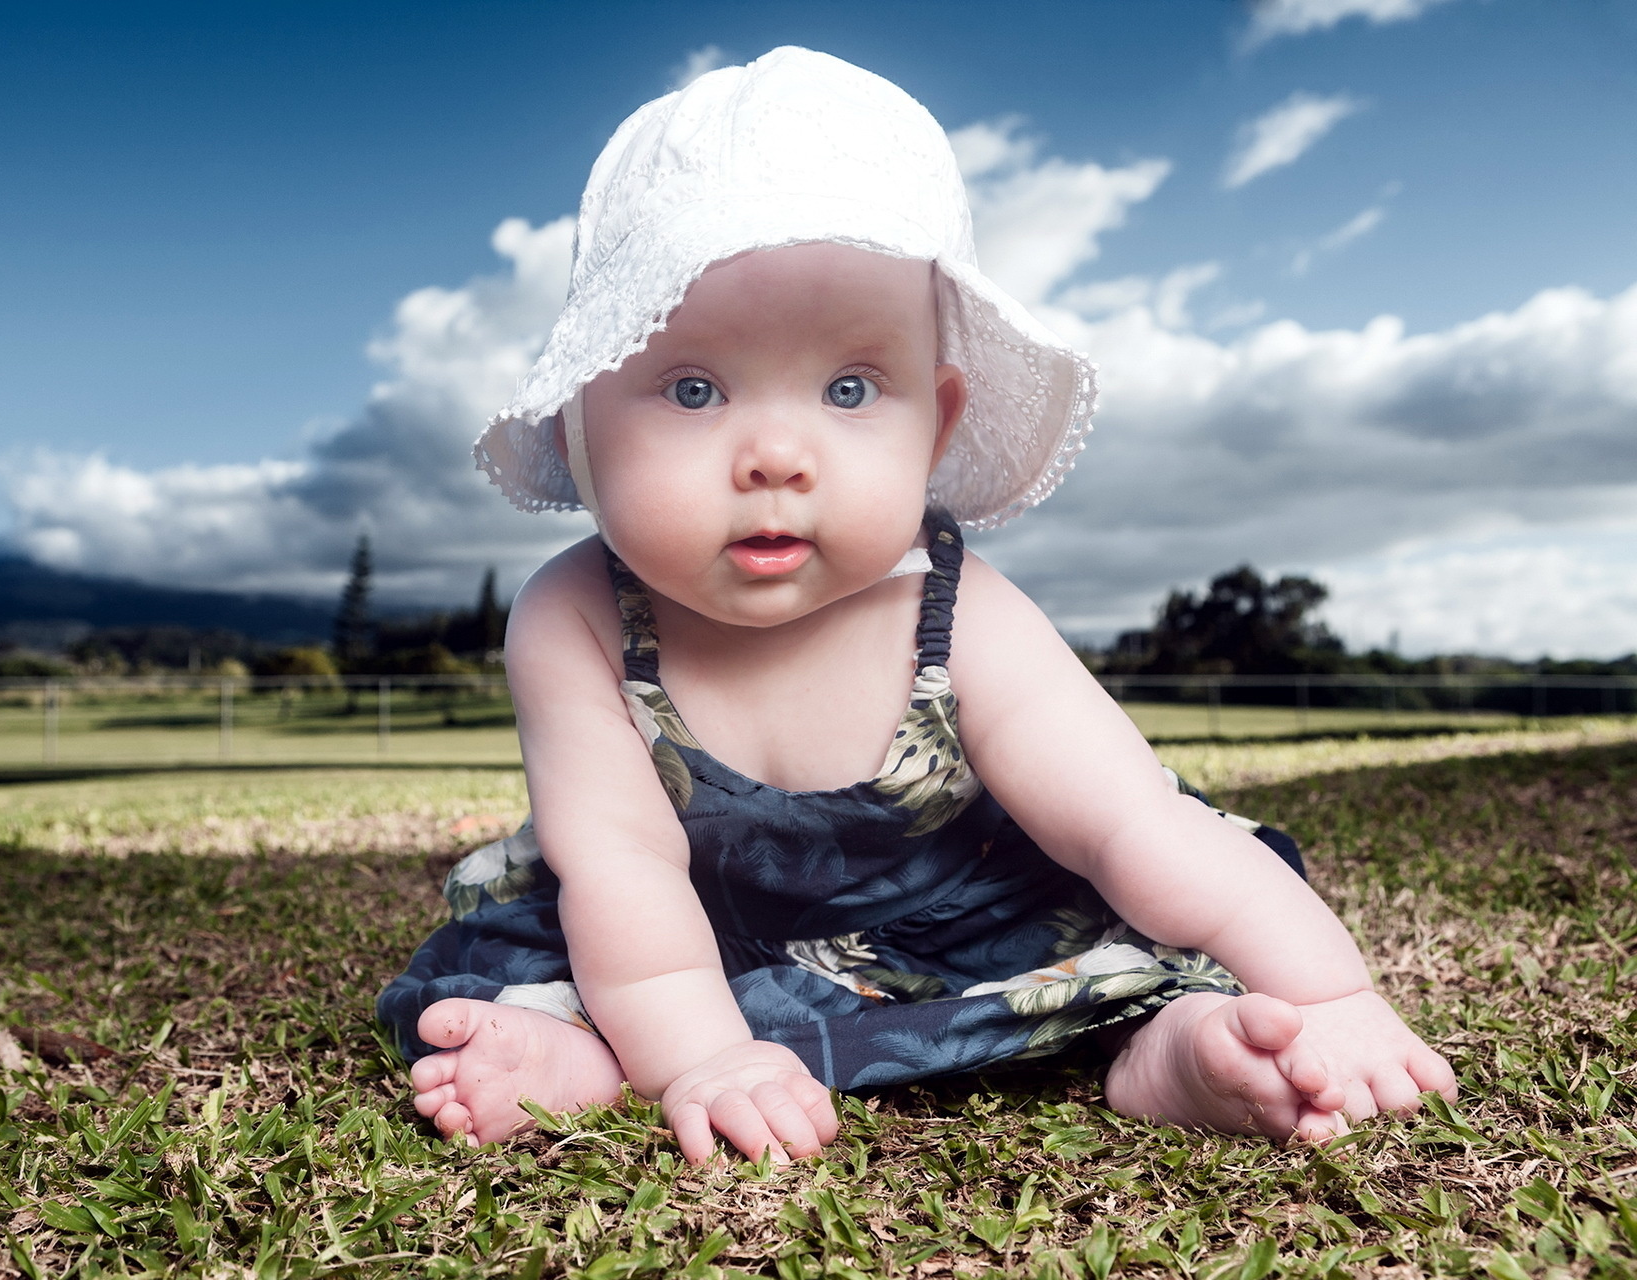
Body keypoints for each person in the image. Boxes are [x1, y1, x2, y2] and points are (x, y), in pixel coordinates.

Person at [377, 47, 1454, 1167]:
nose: (777, 455)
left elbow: (1132, 822)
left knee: (1157, 926)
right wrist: (700, 1058)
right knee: (539, 961)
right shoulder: (577, 613)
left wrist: (1332, 990)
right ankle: (591, 1061)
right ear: (577, 427)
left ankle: (1166, 1048)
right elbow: (625, 871)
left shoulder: (958, 609)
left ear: (935, 428)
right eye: (693, 389)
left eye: (850, 389)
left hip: (968, 916)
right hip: (668, 933)